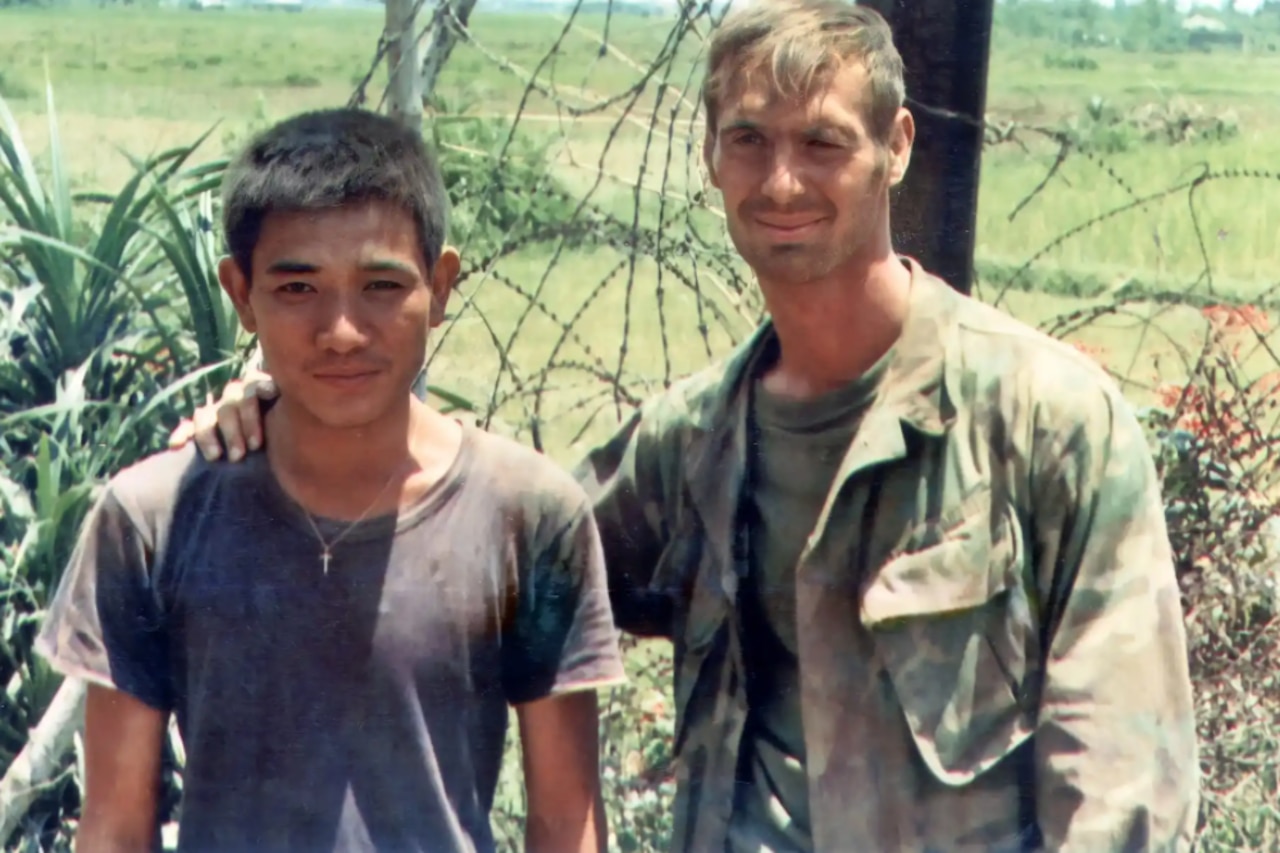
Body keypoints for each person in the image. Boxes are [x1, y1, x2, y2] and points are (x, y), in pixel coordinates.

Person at [171, 2, 1201, 851]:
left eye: (820, 143)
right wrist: (303, 420)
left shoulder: (1044, 421)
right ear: (710, 157)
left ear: (894, 148)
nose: (781, 181)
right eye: (747, 140)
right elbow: (483, 545)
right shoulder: (693, 442)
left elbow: (1120, 771)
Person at [37, 107, 626, 853]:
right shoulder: (156, 518)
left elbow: (566, 823)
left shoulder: (528, 516)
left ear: (441, 286)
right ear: (241, 293)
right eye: (297, 289)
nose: (342, 330)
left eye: (382, 285)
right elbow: (116, 827)